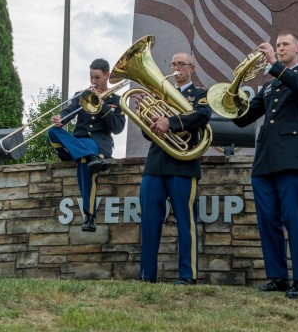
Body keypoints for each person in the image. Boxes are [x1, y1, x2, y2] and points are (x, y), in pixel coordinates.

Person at [233, 32, 298, 298]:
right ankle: (278, 277)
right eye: (278, 45)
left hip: (290, 159)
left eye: (284, 45)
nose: (280, 48)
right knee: (267, 220)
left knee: (294, 220)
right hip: (264, 160)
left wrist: (273, 62)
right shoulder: (268, 86)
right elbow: (243, 119)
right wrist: (232, 96)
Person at [138, 52, 211, 284]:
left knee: (185, 221)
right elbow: (149, 133)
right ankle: (146, 275)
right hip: (156, 164)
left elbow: (202, 116)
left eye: (181, 64)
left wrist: (171, 121)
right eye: (173, 64)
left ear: (193, 68)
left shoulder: (200, 94)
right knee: (149, 221)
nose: (176, 68)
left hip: (183, 164)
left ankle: (187, 276)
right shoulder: (159, 95)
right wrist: (145, 114)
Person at [48, 59, 125, 232]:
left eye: (97, 77)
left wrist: (103, 105)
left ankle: (89, 216)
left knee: (83, 160)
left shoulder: (116, 100)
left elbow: (118, 128)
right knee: (52, 132)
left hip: (98, 143)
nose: (93, 82)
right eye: (91, 77)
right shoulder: (81, 94)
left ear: (107, 76)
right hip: (76, 143)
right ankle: (91, 157)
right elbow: (69, 111)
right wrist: (60, 118)